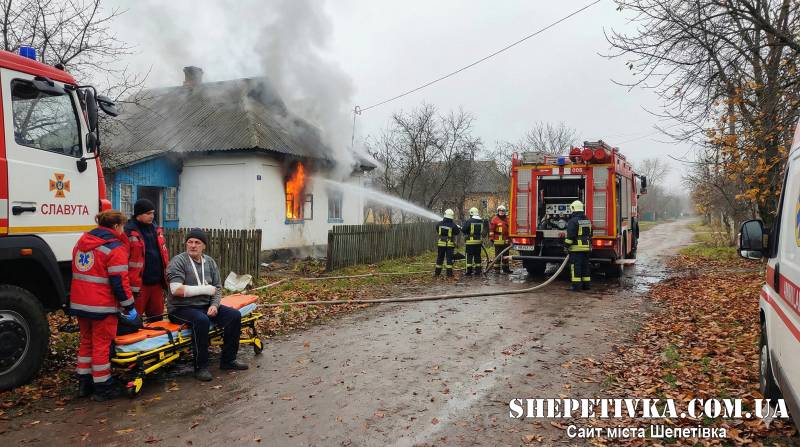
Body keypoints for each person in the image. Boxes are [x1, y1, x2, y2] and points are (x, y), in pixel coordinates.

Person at [69, 210, 137, 401]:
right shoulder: (114, 248)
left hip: (80, 303)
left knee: (86, 342)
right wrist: (129, 306)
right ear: (116, 226)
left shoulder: (81, 243)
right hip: (102, 305)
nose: (123, 230)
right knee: (101, 345)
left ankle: (84, 383)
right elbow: (119, 282)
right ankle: (103, 388)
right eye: (122, 226)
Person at [167, 229, 248, 381]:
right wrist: (205, 289)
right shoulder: (178, 261)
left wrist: (215, 305)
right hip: (180, 308)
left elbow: (217, 288)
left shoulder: (209, 262)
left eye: (197, 243)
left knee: (234, 316)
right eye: (190, 242)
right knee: (201, 320)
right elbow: (176, 290)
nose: (193, 245)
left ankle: (228, 360)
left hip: (205, 306)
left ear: (204, 246)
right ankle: (201, 367)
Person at [124, 198, 169, 319]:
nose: (152, 216)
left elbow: (163, 254)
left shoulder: (156, 230)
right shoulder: (128, 232)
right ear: (138, 214)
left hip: (157, 283)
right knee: (134, 320)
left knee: (157, 319)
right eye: (148, 213)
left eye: (153, 213)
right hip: (139, 285)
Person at [564, 200, 592, 291]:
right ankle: (586, 286)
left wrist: (566, 246)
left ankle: (576, 287)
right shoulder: (587, 220)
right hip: (586, 248)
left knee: (576, 267)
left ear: (573, 208)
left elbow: (570, 237)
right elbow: (590, 233)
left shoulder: (573, 221)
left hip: (576, 249)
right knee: (585, 267)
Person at [435, 209, 461, 277]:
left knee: (440, 258)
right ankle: (449, 274)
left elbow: (437, 229)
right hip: (449, 245)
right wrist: (457, 227)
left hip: (441, 244)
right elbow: (457, 232)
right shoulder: (453, 225)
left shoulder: (439, 224)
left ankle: (437, 273)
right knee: (449, 259)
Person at [489, 205, 512, 273]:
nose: (501, 212)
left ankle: (506, 269)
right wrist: (491, 238)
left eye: (503, 211)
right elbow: (491, 230)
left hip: (506, 241)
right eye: (500, 211)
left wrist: (511, 239)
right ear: (498, 211)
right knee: (498, 256)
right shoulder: (494, 219)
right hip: (497, 241)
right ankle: (497, 270)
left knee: (506, 256)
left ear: (505, 212)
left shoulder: (508, 219)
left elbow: (510, 229)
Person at [463, 207, 485, 276]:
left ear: (471, 213)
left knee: (469, 256)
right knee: (477, 256)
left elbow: (464, 230)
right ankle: (478, 271)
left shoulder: (469, 221)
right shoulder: (481, 221)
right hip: (478, 242)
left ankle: (469, 272)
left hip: (470, 242)